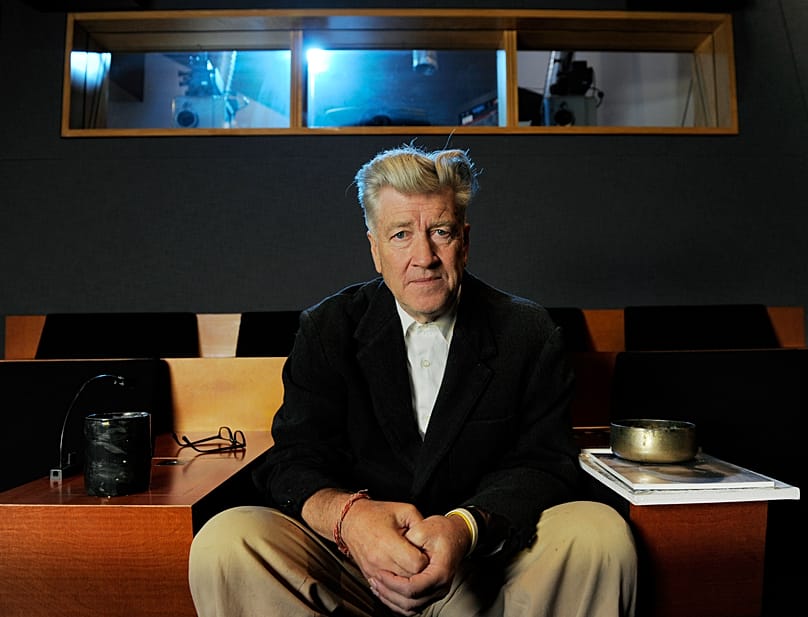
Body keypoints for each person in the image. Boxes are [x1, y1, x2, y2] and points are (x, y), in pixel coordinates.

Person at [188, 144, 637, 617]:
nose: (424, 256)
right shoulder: (327, 328)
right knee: (227, 541)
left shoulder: (528, 331)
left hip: (486, 567)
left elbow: (546, 463)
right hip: (353, 569)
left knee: (599, 535)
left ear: (464, 241)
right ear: (375, 249)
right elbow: (293, 460)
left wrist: (465, 528)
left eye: (440, 232)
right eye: (401, 234)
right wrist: (350, 519)